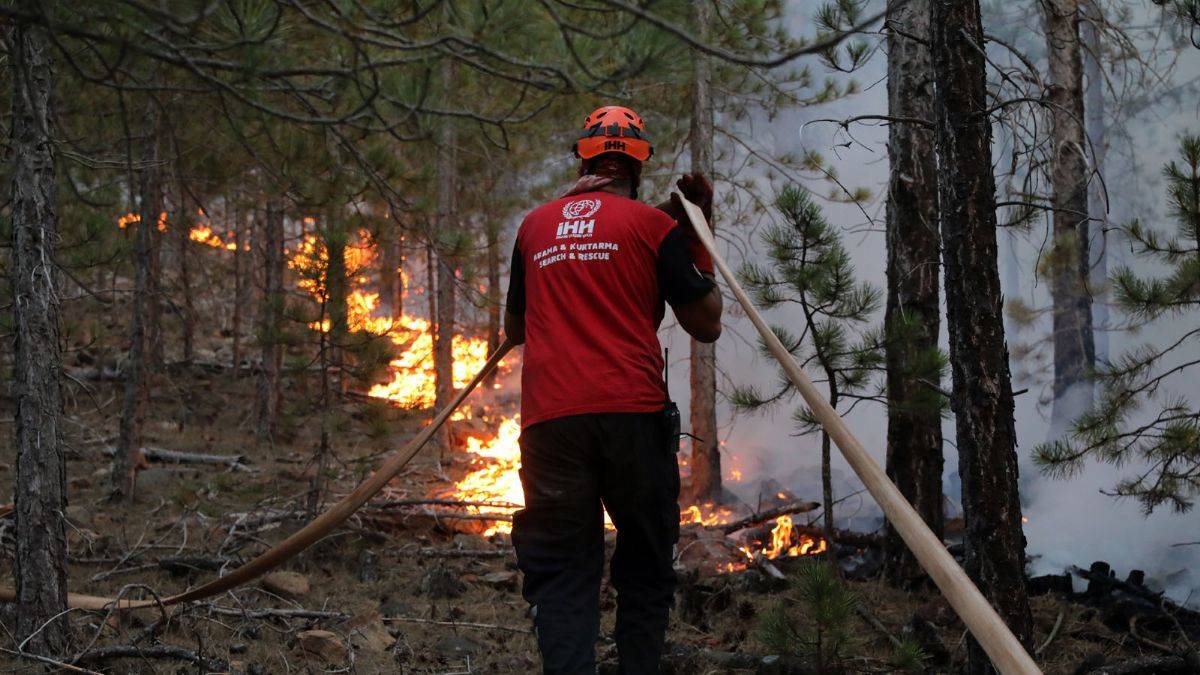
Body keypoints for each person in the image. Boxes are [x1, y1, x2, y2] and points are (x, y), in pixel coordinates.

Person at [503, 105, 723, 674]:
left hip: (551, 424)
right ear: (639, 165)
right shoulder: (655, 228)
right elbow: (707, 323)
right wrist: (696, 236)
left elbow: (516, 330)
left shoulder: (534, 226)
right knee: (645, 566)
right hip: (633, 415)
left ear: (583, 156)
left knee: (562, 572)